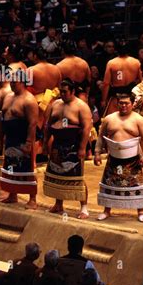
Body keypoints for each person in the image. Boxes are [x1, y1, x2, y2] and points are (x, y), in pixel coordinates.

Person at [95, 93, 143, 222]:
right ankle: (107, 210)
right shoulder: (109, 119)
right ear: (117, 103)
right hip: (114, 157)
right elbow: (101, 137)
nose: (123, 105)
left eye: (126, 103)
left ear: (132, 104)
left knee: (136, 183)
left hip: (133, 158)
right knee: (110, 183)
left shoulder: (139, 119)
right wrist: (97, 153)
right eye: (121, 103)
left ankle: (141, 211)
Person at [43, 78, 92, 219]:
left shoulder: (81, 106)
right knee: (57, 175)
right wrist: (46, 142)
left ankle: (84, 208)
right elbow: (48, 124)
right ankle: (58, 204)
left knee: (77, 177)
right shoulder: (56, 104)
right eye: (61, 92)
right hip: (57, 144)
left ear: (73, 91)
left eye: (65, 92)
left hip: (74, 145)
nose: (62, 94)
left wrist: (82, 148)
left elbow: (86, 128)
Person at [0, 68, 39, 209]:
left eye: (14, 82)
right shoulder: (8, 96)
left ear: (23, 82)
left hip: (23, 139)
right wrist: (0, 137)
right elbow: (2, 118)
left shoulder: (29, 100)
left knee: (26, 168)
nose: (11, 84)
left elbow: (33, 123)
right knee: (10, 167)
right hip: (10, 138)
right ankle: (12, 194)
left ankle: (33, 199)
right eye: (11, 81)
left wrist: (29, 142)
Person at [101, 42, 141, 116]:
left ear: (117, 50)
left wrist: (103, 100)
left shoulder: (111, 63)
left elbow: (106, 84)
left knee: (113, 120)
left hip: (117, 97)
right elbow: (141, 82)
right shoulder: (136, 62)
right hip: (131, 97)